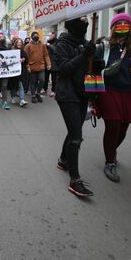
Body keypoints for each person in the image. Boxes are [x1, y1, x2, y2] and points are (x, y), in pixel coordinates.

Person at [95, 13, 131, 183]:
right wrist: (102, 76)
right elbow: (92, 71)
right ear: (112, 27)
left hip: (130, 93)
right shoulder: (103, 47)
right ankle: (110, 162)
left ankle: (111, 150)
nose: (122, 26)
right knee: (113, 124)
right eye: (118, 23)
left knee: (123, 128)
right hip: (108, 91)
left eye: (125, 24)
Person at [55, 17, 95, 197]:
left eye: (87, 19)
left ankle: (64, 160)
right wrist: (84, 56)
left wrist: (95, 62)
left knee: (74, 130)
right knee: (77, 137)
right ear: (72, 24)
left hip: (83, 92)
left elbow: (89, 70)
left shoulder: (86, 43)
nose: (85, 21)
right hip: (67, 94)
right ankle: (74, 179)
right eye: (81, 19)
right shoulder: (61, 44)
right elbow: (64, 68)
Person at [24, 31, 51, 103]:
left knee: (42, 80)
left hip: (41, 66)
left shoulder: (42, 45)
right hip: (32, 67)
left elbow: (46, 55)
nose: (36, 37)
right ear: (32, 37)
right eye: (35, 35)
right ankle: (33, 95)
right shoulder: (28, 46)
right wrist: (27, 66)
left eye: (37, 35)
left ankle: (37, 93)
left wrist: (48, 64)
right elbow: (25, 57)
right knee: (32, 82)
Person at [9, 38, 28, 107]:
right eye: (18, 42)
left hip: (21, 72)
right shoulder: (12, 51)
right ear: (16, 43)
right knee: (14, 85)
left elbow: (27, 62)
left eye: (20, 42)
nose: (19, 43)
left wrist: (24, 59)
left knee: (20, 85)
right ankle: (13, 97)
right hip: (13, 72)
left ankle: (21, 100)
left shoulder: (24, 52)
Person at [44, 31, 58, 97]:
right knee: (46, 77)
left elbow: (56, 50)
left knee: (54, 78)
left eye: (50, 35)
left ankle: (53, 90)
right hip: (47, 62)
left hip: (54, 63)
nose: (49, 36)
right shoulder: (47, 42)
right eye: (48, 35)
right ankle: (44, 89)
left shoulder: (57, 42)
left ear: (54, 35)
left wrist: (49, 45)